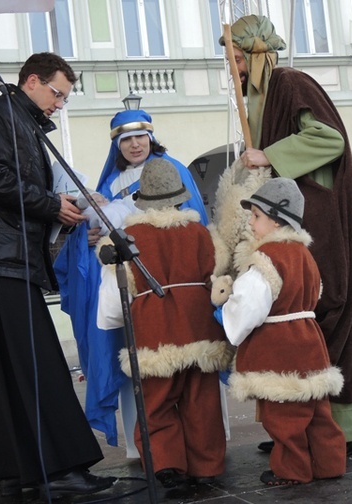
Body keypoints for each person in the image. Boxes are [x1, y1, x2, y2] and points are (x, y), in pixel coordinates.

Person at [220, 15, 352, 454]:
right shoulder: (260, 97)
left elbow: (330, 140)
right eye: (230, 60)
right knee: (296, 319)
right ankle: (298, 426)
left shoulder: (291, 82)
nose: (234, 68)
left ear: (257, 54)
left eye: (238, 58)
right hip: (291, 220)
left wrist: (270, 155)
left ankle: (346, 428)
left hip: (319, 222)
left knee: (331, 306)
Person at [0, 52, 115, 499]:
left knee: (8, 371)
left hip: (2, 259)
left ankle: (18, 470)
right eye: (57, 93)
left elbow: (12, 185)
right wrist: (51, 205)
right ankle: (61, 467)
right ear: (31, 81)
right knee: (35, 365)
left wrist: (58, 211)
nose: (60, 104)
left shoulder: (19, 122)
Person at [53, 109, 208, 457]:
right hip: (135, 290)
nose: (135, 144)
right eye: (126, 139)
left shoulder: (173, 171)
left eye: (140, 136)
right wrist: (88, 237)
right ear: (117, 144)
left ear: (151, 138)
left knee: (193, 373)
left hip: (174, 281)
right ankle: (149, 450)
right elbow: (94, 236)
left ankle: (201, 445)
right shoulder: (107, 184)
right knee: (139, 367)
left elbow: (191, 221)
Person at [96, 158, 231, 488]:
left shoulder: (128, 238)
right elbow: (217, 280)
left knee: (155, 404)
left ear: (142, 199)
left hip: (154, 332)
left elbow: (114, 303)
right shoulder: (203, 234)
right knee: (202, 401)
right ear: (181, 196)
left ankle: (167, 467)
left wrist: (114, 323)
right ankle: (207, 465)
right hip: (201, 329)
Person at [218, 177, 346, 486]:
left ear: (276, 220)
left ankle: (292, 471)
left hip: (280, 346)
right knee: (316, 410)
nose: (251, 222)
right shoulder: (305, 255)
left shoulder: (266, 259)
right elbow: (315, 294)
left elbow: (249, 305)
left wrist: (225, 313)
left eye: (257, 216)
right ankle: (329, 463)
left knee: (284, 415)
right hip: (308, 338)